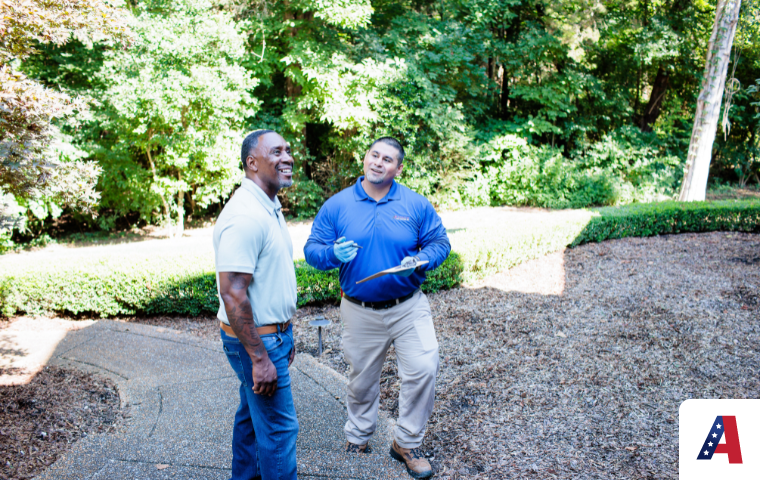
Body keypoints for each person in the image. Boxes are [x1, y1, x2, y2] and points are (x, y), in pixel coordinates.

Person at [304, 137, 450, 479]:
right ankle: (358, 435)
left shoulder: (415, 204)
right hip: (359, 309)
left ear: (398, 168)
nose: (378, 162)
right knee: (362, 379)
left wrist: (423, 259)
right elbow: (312, 250)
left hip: (408, 306)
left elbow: (439, 242)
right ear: (365, 158)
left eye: (387, 159)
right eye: (374, 155)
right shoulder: (338, 205)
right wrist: (331, 254)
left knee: (424, 366)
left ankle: (406, 442)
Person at [213, 129, 299, 480]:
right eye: (276, 151)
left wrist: (286, 331)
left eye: (288, 150)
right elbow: (233, 292)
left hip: (271, 336)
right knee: (279, 431)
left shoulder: (268, 206)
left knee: (251, 421)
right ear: (252, 163)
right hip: (258, 343)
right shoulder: (246, 215)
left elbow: (270, 279)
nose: (287, 157)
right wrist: (261, 358)